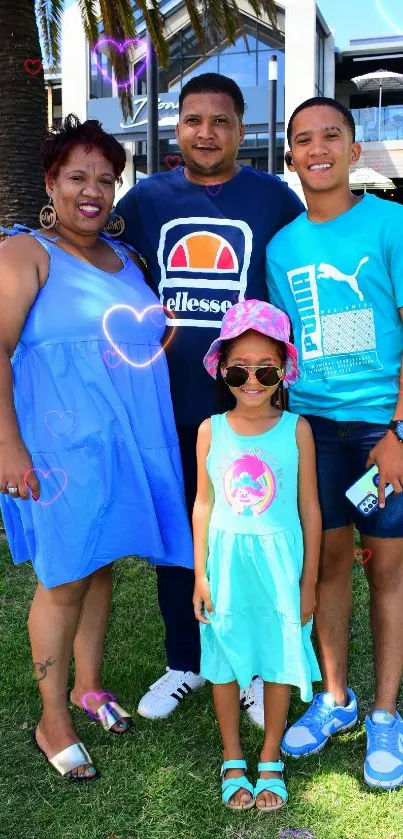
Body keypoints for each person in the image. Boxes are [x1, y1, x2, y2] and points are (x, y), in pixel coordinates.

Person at [0, 115, 193, 781]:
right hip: (59, 451)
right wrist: (8, 446)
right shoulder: (25, 253)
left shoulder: (127, 258)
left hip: (125, 442)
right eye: (77, 177)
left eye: (105, 179)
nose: (93, 190)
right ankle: (52, 715)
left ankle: (88, 687)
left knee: (101, 560)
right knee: (63, 574)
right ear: (50, 183)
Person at [116, 73, 304, 723]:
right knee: (179, 535)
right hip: (163, 399)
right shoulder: (144, 199)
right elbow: (98, 259)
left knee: (246, 528)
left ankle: (251, 665)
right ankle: (185, 661)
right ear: (176, 127)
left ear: (242, 128)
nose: (205, 132)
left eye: (220, 121)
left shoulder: (273, 198)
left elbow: (295, 280)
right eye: (194, 120)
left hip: (246, 398)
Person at [266, 96, 403, 790]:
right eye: (301, 139)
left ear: (353, 148)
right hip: (313, 432)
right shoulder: (282, 248)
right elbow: (284, 355)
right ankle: (336, 698)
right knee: (322, 567)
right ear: (289, 156)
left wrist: (398, 431)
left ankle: (384, 713)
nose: (315, 148)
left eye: (329, 136)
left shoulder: (390, 223)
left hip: (382, 427)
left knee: (385, 568)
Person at [192, 299, 322, 811]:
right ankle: (232, 756)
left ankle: (270, 755)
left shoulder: (298, 431)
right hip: (225, 564)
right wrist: (201, 575)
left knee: (277, 656)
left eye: (265, 369)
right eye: (240, 369)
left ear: (282, 372)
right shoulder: (210, 429)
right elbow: (203, 505)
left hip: (280, 567)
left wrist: (308, 580)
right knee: (223, 660)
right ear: (223, 369)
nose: (252, 380)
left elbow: (310, 509)